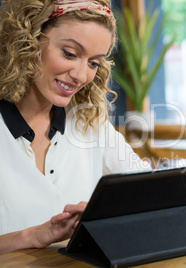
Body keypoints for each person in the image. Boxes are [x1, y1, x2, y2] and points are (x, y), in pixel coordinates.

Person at [0, 0, 151, 254]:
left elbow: (150, 192)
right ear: (28, 40)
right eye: (69, 53)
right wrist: (34, 236)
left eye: (94, 63)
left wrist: (106, 213)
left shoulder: (89, 121)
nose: (82, 76)